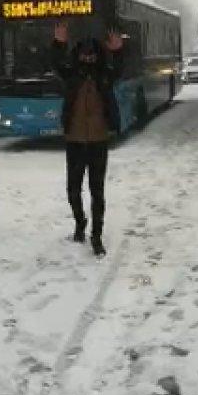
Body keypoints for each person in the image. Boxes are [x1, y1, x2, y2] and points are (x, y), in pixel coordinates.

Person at [51, 22, 124, 256]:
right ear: (79, 56)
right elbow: (56, 64)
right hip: (74, 141)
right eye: (85, 56)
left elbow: (120, 68)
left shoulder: (105, 78)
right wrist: (59, 44)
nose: (89, 60)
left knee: (97, 192)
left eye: (92, 56)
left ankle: (96, 237)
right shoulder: (72, 77)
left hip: (98, 143)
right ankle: (80, 222)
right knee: (73, 190)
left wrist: (118, 50)